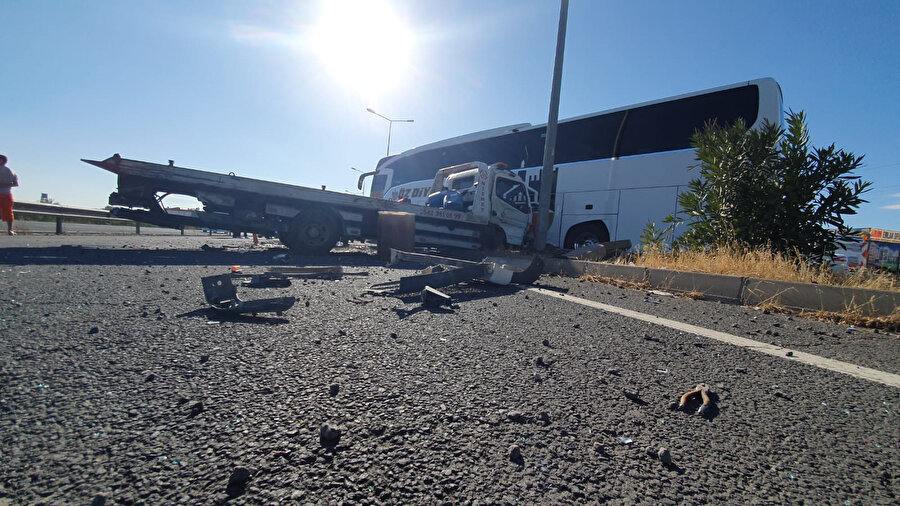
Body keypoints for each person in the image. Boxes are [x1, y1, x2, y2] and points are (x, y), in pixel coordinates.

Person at [0, 154, 19, 235]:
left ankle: (10, 230)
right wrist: (6, 185)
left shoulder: (8, 170)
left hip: (5, 194)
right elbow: (16, 184)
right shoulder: (11, 171)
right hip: (7, 194)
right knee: (8, 212)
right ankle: (10, 230)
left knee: (8, 212)